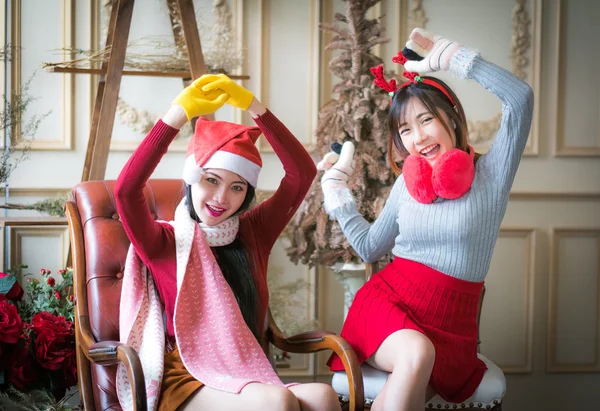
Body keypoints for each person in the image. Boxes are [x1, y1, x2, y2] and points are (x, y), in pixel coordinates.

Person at [318, 28, 534, 411]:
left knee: (411, 383)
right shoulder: (407, 184)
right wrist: (337, 193)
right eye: (405, 129)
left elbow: (521, 99)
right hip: (389, 305)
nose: (417, 137)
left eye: (426, 120)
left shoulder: (492, 176)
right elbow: (370, 247)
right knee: (416, 354)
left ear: (451, 119)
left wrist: (454, 59)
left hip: (452, 327)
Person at [114, 74, 341, 411]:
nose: (222, 197)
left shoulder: (254, 232)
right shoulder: (163, 241)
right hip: (187, 374)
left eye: (237, 187)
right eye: (211, 180)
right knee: (277, 401)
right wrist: (178, 114)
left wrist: (254, 106)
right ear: (192, 179)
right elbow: (126, 191)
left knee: (324, 396)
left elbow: (302, 173)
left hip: (243, 371)